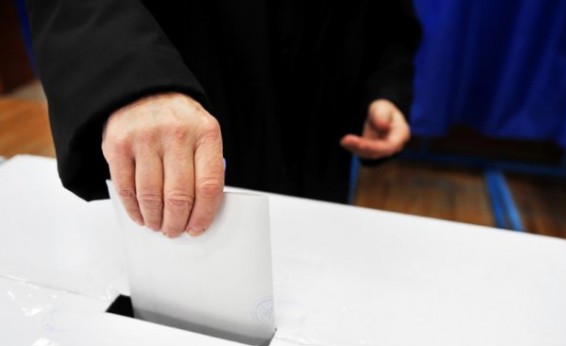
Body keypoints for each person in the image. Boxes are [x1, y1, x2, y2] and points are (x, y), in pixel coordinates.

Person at [26, 0, 422, 237]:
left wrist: (385, 90)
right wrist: (132, 79)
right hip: (188, 123)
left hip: (320, 143)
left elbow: (390, 18)